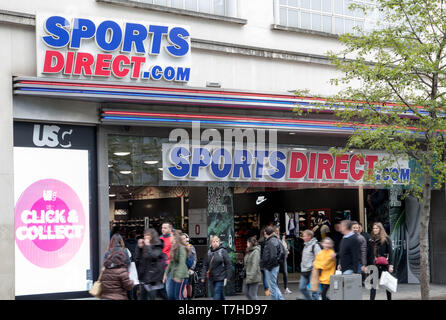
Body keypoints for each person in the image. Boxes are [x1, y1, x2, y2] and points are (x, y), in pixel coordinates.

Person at [201, 235, 232, 300]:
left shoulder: (223, 251)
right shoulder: (209, 253)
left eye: (217, 241)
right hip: (212, 278)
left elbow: (228, 264)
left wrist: (228, 276)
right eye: (213, 241)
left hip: (221, 277)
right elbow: (205, 265)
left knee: (217, 293)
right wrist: (203, 276)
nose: (215, 243)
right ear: (211, 243)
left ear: (219, 242)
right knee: (220, 294)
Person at [138, 229, 166, 300]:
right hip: (145, 276)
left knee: (153, 296)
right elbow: (138, 258)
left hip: (153, 277)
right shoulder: (145, 246)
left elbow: (153, 256)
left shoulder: (158, 245)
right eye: (144, 236)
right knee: (142, 297)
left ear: (152, 236)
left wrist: (147, 246)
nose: (145, 238)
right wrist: (139, 248)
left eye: (147, 236)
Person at [370, 222, 394, 300]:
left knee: (387, 285)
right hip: (374, 265)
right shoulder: (371, 239)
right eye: (374, 228)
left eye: (376, 228)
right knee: (373, 285)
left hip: (384, 265)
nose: (375, 230)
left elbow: (391, 252)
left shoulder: (387, 238)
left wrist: (391, 265)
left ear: (380, 229)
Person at [163, 230, 189, 300]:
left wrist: (178, 276)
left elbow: (182, 263)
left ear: (175, 237)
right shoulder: (173, 248)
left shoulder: (182, 248)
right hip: (174, 275)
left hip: (181, 276)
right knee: (171, 296)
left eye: (171, 236)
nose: (169, 237)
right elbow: (171, 262)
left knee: (178, 297)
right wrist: (165, 274)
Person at [260, 226, 284, 300]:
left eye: (264, 232)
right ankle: (280, 298)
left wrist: (269, 266)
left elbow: (273, 256)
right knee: (274, 285)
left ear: (266, 233)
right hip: (274, 265)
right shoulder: (275, 239)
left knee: (272, 287)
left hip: (271, 266)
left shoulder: (271, 241)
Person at [298, 230, 321, 300]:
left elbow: (319, 257)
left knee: (315, 291)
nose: (302, 237)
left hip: (312, 270)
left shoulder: (315, 245)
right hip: (304, 270)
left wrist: (314, 267)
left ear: (309, 237)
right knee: (302, 288)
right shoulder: (305, 245)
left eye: (304, 236)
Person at [274, 226, 292, 294]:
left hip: (283, 257)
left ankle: (286, 288)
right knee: (276, 273)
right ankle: (276, 288)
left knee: (285, 272)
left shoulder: (282, 237)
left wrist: (287, 249)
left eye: (278, 230)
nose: (277, 232)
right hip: (277, 257)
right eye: (276, 230)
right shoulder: (273, 238)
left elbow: (285, 246)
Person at [160, 222, 173, 298]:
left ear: (170, 229)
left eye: (165, 228)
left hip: (169, 267)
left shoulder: (172, 239)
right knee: (162, 288)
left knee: (168, 288)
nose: (163, 229)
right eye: (162, 227)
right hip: (160, 267)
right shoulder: (160, 238)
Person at [182, 233, 197, 299]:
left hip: (189, 269)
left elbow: (194, 259)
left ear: (187, 239)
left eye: (184, 238)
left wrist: (192, 268)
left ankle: (189, 298)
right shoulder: (179, 247)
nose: (182, 240)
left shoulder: (190, 247)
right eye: (181, 238)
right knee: (184, 285)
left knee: (189, 285)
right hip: (182, 269)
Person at [258, 226, 270, 296]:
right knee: (266, 276)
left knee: (264, 276)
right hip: (265, 261)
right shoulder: (266, 241)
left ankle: (267, 290)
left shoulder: (259, 241)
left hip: (260, 261)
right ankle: (267, 291)